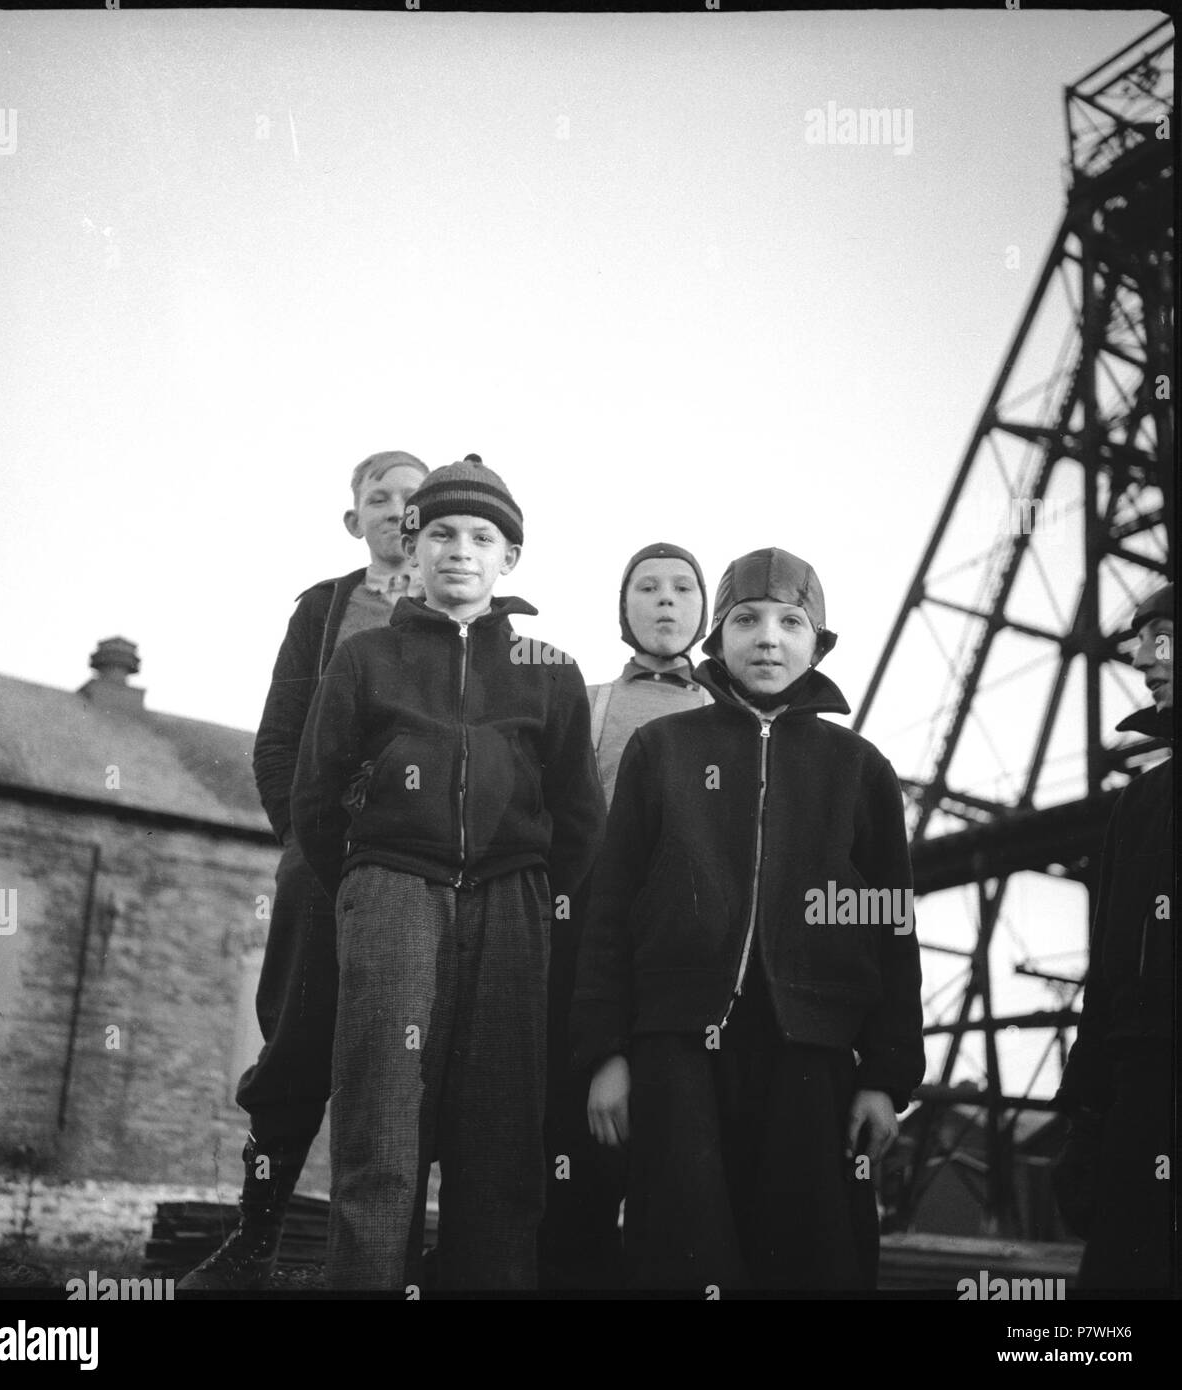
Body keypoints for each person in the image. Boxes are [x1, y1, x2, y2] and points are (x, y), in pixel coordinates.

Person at [572, 547, 925, 1292]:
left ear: (817, 643)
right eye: (746, 620)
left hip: (812, 1051)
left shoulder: (858, 768)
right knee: (681, 1245)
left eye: (790, 622)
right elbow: (609, 909)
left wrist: (886, 1076)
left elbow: (892, 928)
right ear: (717, 638)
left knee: (808, 1253)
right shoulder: (662, 750)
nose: (768, 637)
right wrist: (606, 1052)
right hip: (677, 1047)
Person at [291, 457, 606, 1290]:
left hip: (513, 904)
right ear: (413, 547)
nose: (458, 550)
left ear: (510, 558)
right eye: (439, 533)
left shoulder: (549, 668)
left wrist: (536, 899)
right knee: (382, 1125)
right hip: (394, 894)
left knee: (501, 1136)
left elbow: (577, 819)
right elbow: (316, 799)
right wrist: (374, 879)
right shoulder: (365, 657)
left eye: (480, 536)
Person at [179, 449, 430, 1291]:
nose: (398, 509)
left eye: (413, 497)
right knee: (295, 1048)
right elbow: (277, 740)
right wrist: (307, 845)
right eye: (379, 496)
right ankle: (252, 1242)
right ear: (353, 518)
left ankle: (403, 1255)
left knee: (419, 1053)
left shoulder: (465, 611)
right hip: (326, 864)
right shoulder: (323, 611)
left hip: (429, 871)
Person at [540, 541, 711, 1289]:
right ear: (623, 608)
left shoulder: (727, 712)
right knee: (578, 1133)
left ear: (706, 611)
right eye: (647, 587)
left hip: (683, 946)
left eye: (681, 588)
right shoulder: (590, 701)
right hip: (587, 936)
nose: (665, 601)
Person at [1053, 581, 1174, 1291]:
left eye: (1163, 639)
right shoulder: (1140, 802)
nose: (1140, 659)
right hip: (1138, 1087)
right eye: (1140, 641)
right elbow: (1105, 979)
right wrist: (1086, 1118)